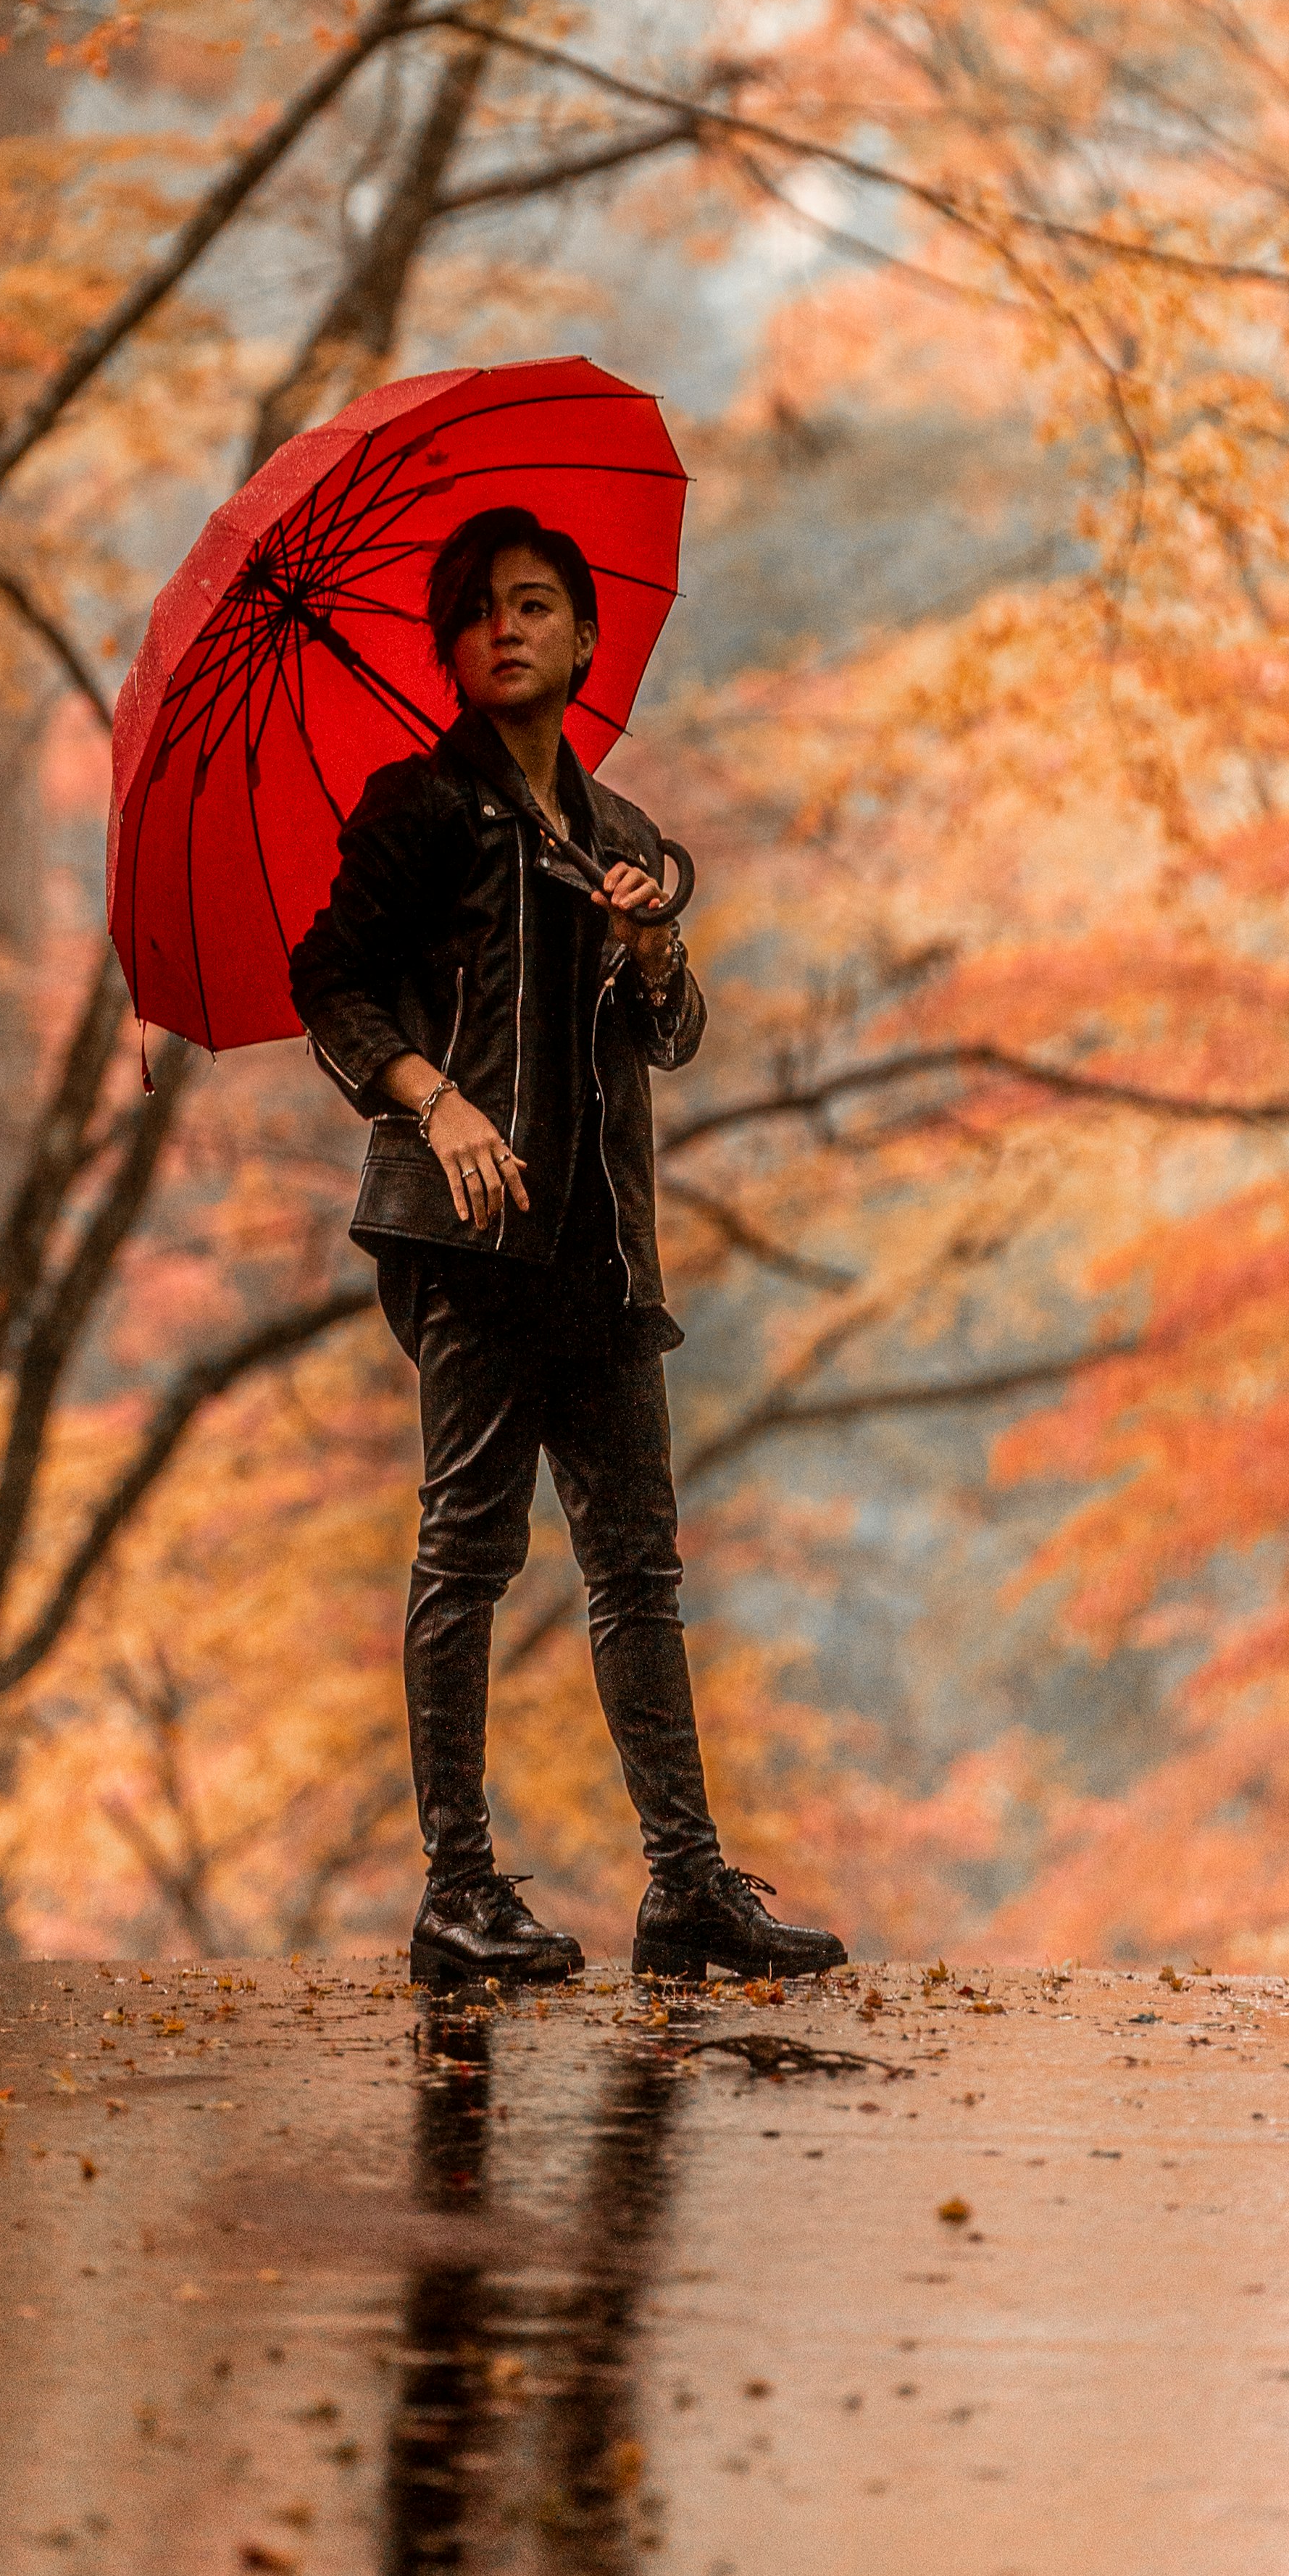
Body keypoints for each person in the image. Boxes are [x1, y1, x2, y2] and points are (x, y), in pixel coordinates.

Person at [288, 501, 848, 1993]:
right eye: (477, 611)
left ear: (589, 636)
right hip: (470, 1235)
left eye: (535, 603)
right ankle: (458, 1889)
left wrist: (655, 948)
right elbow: (329, 981)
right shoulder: (416, 811)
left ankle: (687, 1885)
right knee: (468, 1548)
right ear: (454, 652)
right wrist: (435, 1102)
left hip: (603, 1255)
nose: (507, 627)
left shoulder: (623, 841)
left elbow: (671, 1034)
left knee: (638, 1568)